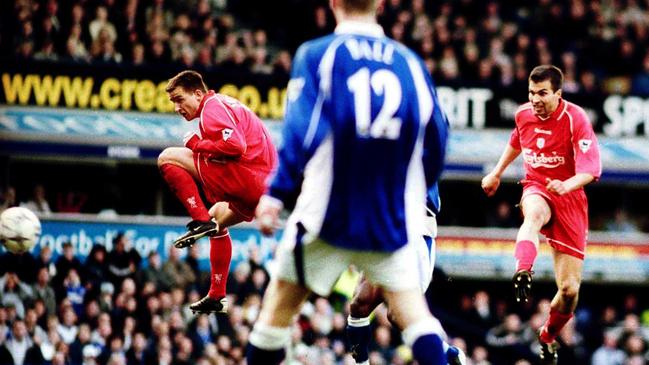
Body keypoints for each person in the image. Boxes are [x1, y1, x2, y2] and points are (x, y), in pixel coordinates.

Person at [247, 0, 449, 364]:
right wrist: (415, 192)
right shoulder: (410, 64)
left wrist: (276, 194)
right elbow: (436, 140)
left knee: (276, 312)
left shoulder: (319, 54)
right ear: (381, 4)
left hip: (327, 213)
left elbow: (301, 131)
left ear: (333, 3)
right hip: (390, 220)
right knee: (416, 319)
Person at [481, 65, 601, 364]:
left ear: (558, 94)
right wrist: (497, 173)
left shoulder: (576, 118)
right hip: (538, 186)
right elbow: (517, 140)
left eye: (542, 93)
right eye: (532, 93)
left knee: (569, 290)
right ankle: (524, 269)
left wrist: (566, 184)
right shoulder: (523, 114)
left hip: (570, 197)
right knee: (532, 215)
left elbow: (592, 169)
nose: (535, 99)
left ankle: (547, 335)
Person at [159, 70, 277, 313]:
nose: (177, 108)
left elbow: (235, 145)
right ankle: (216, 295)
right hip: (262, 188)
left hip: (246, 176)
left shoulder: (211, 106)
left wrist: (196, 144)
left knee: (167, 157)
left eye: (180, 99)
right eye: (173, 103)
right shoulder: (224, 104)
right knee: (217, 221)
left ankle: (199, 220)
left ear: (198, 93)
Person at [346, 185, 466, 365]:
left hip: (414, 232)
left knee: (396, 315)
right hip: (385, 229)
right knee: (359, 305)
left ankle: (446, 353)